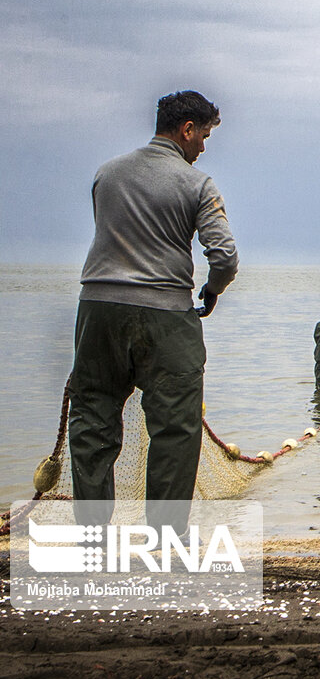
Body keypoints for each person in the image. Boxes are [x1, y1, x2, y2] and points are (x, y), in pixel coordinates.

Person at [68, 90, 238, 533]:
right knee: (175, 431)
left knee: (92, 421)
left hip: (98, 309)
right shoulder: (196, 183)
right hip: (165, 314)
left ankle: (93, 540)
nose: (202, 146)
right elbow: (224, 256)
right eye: (203, 135)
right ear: (186, 130)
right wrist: (213, 290)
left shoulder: (107, 173)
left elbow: (108, 232)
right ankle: (165, 539)